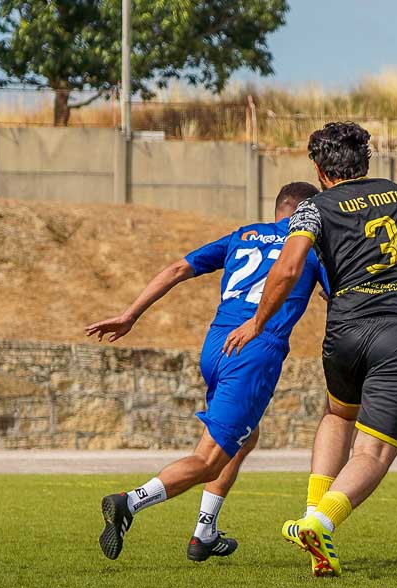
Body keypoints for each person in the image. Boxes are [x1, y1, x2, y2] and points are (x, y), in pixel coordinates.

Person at [220, 121, 397, 577]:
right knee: (372, 453)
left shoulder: (312, 209)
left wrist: (257, 321)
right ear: (365, 161)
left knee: (337, 415)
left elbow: (287, 268)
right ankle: (320, 523)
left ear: (319, 169)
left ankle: (310, 516)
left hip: (346, 329)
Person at [85, 181, 328, 562]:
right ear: (308, 212)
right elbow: (336, 294)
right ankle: (129, 502)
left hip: (216, 346)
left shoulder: (244, 235)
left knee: (244, 437)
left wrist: (130, 315)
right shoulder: (309, 247)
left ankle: (204, 533)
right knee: (209, 459)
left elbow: (177, 268)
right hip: (254, 348)